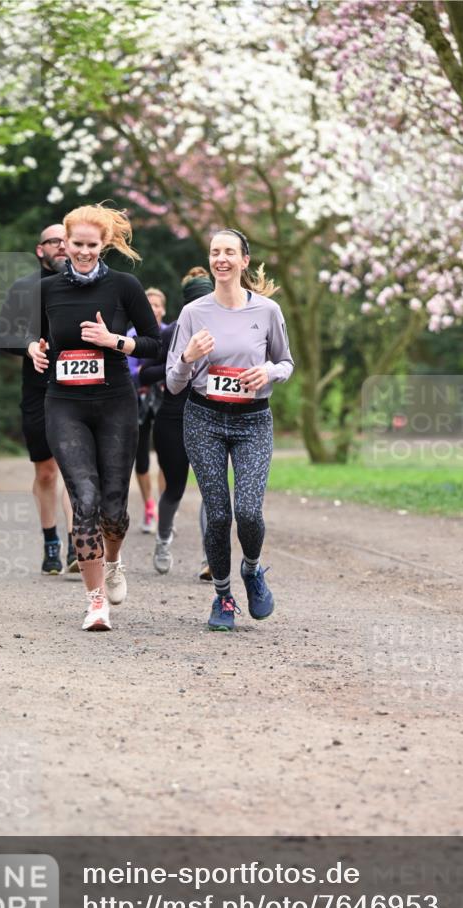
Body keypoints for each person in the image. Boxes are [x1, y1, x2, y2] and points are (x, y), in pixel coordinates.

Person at [26, 205, 160, 631]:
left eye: (91, 245)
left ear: (105, 245)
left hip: (115, 401)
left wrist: (115, 341)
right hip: (64, 402)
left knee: (114, 508)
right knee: (83, 498)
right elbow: (31, 334)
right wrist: (34, 348)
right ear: (64, 244)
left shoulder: (125, 286)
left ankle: (114, 561)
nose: (83, 253)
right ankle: (95, 601)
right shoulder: (46, 289)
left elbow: (156, 344)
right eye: (76, 245)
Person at [166, 229, 294, 631]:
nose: (221, 259)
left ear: (243, 261)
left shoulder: (268, 311)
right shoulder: (193, 314)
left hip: (253, 420)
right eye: (215, 252)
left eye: (229, 252)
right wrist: (188, 356)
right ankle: (222, 596)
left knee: (249, 512)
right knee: (219, 515)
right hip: (203, 416)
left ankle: (252, 570)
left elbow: (287, 363)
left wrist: (268, 371)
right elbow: (173, 381)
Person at [0, 224, 76, 575]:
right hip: (38, 389)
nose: (61, 246)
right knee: (46, 472)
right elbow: (2, 334)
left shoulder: (86, 287)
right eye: (53, 241)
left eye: (65, 240)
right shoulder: (24, 288)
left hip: (78, 390)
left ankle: (78, 544)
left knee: (76, 468)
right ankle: (51, 542)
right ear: (39, 249)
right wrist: (28, 346)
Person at [139, 268, 214, 575]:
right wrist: (181, 360)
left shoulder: (228, 328)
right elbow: (145, 373)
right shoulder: (171, 333)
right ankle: (163, 539)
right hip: (173, 417)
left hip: (212, 415)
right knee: (175, 488)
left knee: (213, 489)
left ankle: (212, 556)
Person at [127, 287, 167, 533]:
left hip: (164, 400)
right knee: (140, 458)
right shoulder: (131, 335)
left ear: (163, 309)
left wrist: (146, 373)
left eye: (157, 304)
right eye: (148, 304)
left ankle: (165, 510)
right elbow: (130, 372)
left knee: (166, 456)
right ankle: (149, 507)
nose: (152, 308)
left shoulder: (170, 332)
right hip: (138, 402)